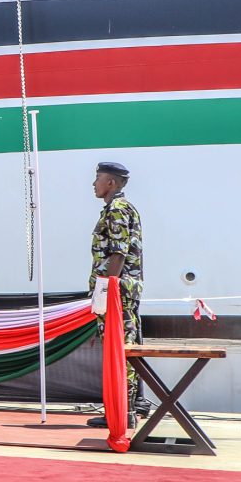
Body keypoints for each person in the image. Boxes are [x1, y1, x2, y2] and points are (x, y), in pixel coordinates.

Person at [88, 161, 146, 429]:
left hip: (117, 293)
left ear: (110, 182)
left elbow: (118, 254)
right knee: (120, 349)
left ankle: (123, 412)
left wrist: (105, 293)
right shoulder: (121, 208)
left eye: (98, 178)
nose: (94, 184)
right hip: (121, 291)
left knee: (119, 350)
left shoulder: (117, 210)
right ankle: (123, 410)